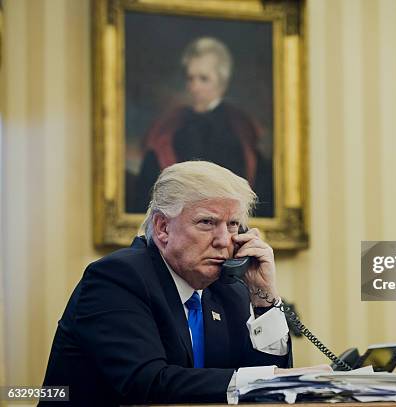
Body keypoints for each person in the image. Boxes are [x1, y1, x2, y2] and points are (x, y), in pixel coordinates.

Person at [42, 161, 326, 406]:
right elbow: (148, 383)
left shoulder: (228, 289)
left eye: (232, 225)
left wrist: (264, 299)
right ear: (163, 227)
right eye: (207, 222)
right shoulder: (117, 278)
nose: (224, 241)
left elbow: (267, 388)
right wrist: (271, 379)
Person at [129, 37, 274, 217]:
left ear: (222, 84)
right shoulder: (169, 127)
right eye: (190, 79)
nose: (194, 87)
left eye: (203, 79)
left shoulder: (241, 130)